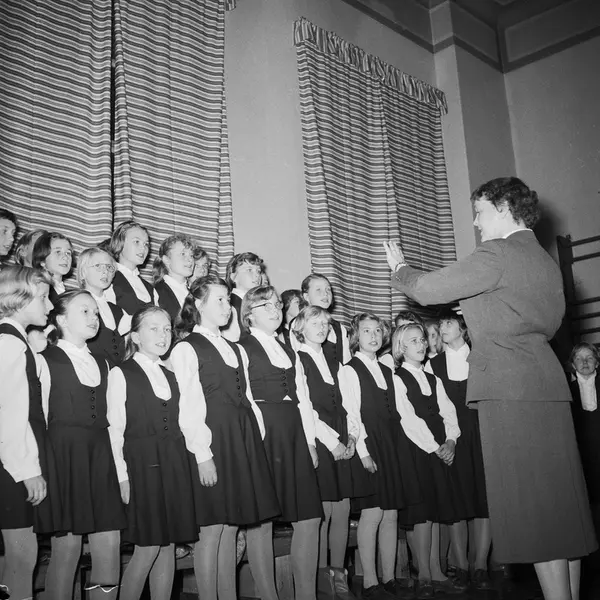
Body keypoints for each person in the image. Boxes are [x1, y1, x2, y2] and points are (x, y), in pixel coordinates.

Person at [384, 176, 597, 600]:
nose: (477, 223)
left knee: (533, 513)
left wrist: (400, 269)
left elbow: (426, 289)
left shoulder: (498, 251)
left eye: (480, 212)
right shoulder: (544, 260)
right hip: (546, 383)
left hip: (508, 389)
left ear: (502, 208)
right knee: (560, 508)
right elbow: (534, 316)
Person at [170, 275, 280, 600]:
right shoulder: (187, 348)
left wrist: (255, 440)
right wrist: (203, 454)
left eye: (228, 299)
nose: (227, 306)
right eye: (218, 299)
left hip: (241, 439)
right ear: (198, 304)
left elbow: (248, 399)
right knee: (213, 528)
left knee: (232, 525)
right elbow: (189, 406)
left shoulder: (235, 349)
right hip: (213, 440)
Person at [339, 313, 438, 600]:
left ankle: (389, 577)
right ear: (356, 336)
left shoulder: (387, 371)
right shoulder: (350, 370)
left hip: (392, 445)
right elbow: (352, 414)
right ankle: (370, 582)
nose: (373, 336)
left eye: (377, 331)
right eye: (366, 331)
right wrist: (363, 452)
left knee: (391, 513)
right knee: (373, 513)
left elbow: (402, 412)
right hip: (370, 444)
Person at [107, 306, 198, 600]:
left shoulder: (171, 374)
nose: (163, 335)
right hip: (142, 467)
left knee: (168, 545)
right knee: (147, 548)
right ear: (135, 336)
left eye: (167, 329)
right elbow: (115, 430)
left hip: (174, 464)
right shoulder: (122, 373)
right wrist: (122, 477)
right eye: (154, 328)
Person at [239, 286, 323, 600]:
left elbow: (304, 398)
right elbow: (245, 398)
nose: (276, 310)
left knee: (309, 516)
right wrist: (256, 438)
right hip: (263, 433)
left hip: (294, 432)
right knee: (262, 521)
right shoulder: (241, 348)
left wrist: (310, 442)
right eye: (267, 306)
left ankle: (306, 595)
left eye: (277, 305)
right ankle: (268, 595)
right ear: (249, 314)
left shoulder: (290, 350)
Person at [42, 291, 126, 600]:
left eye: (96, 312)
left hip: (101, 456)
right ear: (62, 320)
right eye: (85, 311)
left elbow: (114, 421)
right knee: (68, 548)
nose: (94, 317)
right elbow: (39, 418)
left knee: (110, 543)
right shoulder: (45, 359)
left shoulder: (104, 363)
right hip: (64, 458)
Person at [293, 306, 369, 600]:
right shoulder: (297, 359)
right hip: (319, 437)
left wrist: (352, 435)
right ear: (300, 327)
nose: (322, 327)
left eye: (325, 322)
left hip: (341, 434)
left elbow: (350, 404)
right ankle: (322, 579)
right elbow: (306, 409)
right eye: (315, 322)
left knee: (343, 509)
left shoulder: (335, 360)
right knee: (323, 512)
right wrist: (332, 441)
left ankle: (339, 577)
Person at [392, 323, 466, 598]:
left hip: (438, 448)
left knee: (435, 511)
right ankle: (423, 573)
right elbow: (408, 419)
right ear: (401, 347)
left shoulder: (434, 379)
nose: (421, 344)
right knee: (422, 513)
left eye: (422, 339)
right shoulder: (398, 378)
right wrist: (435, 447)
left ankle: (436, 571)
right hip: (417, 450)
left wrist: (451, 441)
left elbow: (449, 412)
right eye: (414, 341)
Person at [0, 267, 58, 600]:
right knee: (21, 556)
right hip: (13, 466)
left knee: (18, 557)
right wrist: (27, 470)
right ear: (19, 299)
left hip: (16, 462)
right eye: (43, 298)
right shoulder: (10, 344)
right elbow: (9, 416)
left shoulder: (18, 342)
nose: (49, 306)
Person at [426, 310, 491, 589]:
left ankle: (481, 565)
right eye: (441, 324)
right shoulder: (433, 364)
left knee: (485, 499)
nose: (443, 328)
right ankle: (461, 565)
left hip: (484, 435)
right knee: (457, 499)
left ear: (464, 329)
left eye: (448, 323)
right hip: (452, 439)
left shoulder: (482, 358)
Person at [77, 247, 130, 367]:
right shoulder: (75, 304)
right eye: (98, 266)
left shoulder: (118, 311)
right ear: (83, 272)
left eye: (109, 267)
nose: (105, 271)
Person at [568, 343, 600, 516]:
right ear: (573, 365)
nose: (585, 362)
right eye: (579, 359)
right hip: (581, 454)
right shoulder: (567, 392)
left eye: (590, 358)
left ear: (597, 362)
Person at [296, 274, 351, 366]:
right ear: (306, 296)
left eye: (328, 289)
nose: (325, 293)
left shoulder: (339, 328)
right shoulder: (298, 324)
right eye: (318, 290)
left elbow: (346, 361)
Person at [107, 221, 155, 315]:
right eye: (136, 242)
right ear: (119, 243)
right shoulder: (109, 279)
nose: (143, 248)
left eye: (146, 244)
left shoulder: (149, 288)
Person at [153, 234, 196, 322]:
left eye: (191, 255)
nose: (190, 260)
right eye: (183, 254)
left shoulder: (195, 293)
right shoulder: (156, 292)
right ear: (166, 260)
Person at [222, 252, 263, 342]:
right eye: (249, 270)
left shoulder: (257, 304)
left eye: (258, 271)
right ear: (233, 276)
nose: (257, 275)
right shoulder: (231, 306)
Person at [32, 231, 74, 305]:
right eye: (58, 252)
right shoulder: (38, 291)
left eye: (68, 253)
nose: (65, 257)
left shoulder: (67, 292)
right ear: (42, 260)